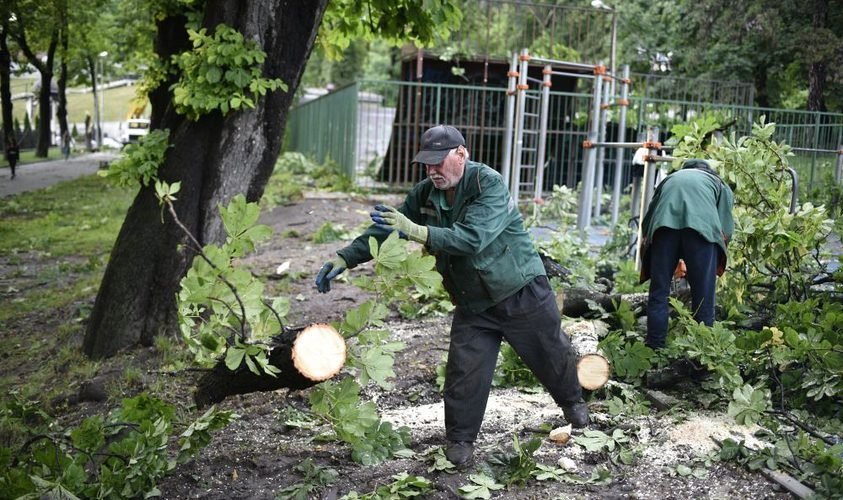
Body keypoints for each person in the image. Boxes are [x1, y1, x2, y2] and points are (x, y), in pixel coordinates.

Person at [315, 125, 588, 467]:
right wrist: (346, 257)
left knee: (551, 356)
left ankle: (576, 408)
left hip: (520, 291)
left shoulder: (487, 183)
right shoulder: (425, 193)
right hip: (473, 302)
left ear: (461, 154)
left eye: (438, 162)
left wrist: (413, 230)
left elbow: (471, 239)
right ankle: (460, 442)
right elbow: (386, 228)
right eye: (426, 164)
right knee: (464, 374)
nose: (432, 171)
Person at [638, 159, 735, 350]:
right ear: (708, 171)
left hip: (663, 230)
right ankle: (702, 353)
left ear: (685, 170)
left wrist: (657, 252)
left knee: (659, 293)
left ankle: (654, 349)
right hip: (702, 233)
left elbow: (648, 220)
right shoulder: (718, 184)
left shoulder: (670, 179)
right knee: (703, 297)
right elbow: (725, 229)